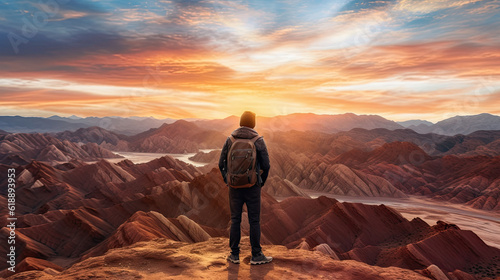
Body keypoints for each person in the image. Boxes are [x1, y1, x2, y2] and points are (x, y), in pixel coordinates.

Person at [219, 111, 272, 265]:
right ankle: (256, 255)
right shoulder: (258, 140)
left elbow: (221, 163)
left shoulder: (230, 139)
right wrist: (260, 182)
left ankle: (234, 255)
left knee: (235, 219)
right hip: (252, 186)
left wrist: (228, 180)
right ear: (253, 123)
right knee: (254, 220)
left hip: (234, 186)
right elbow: (267, 165)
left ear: (241, 122)